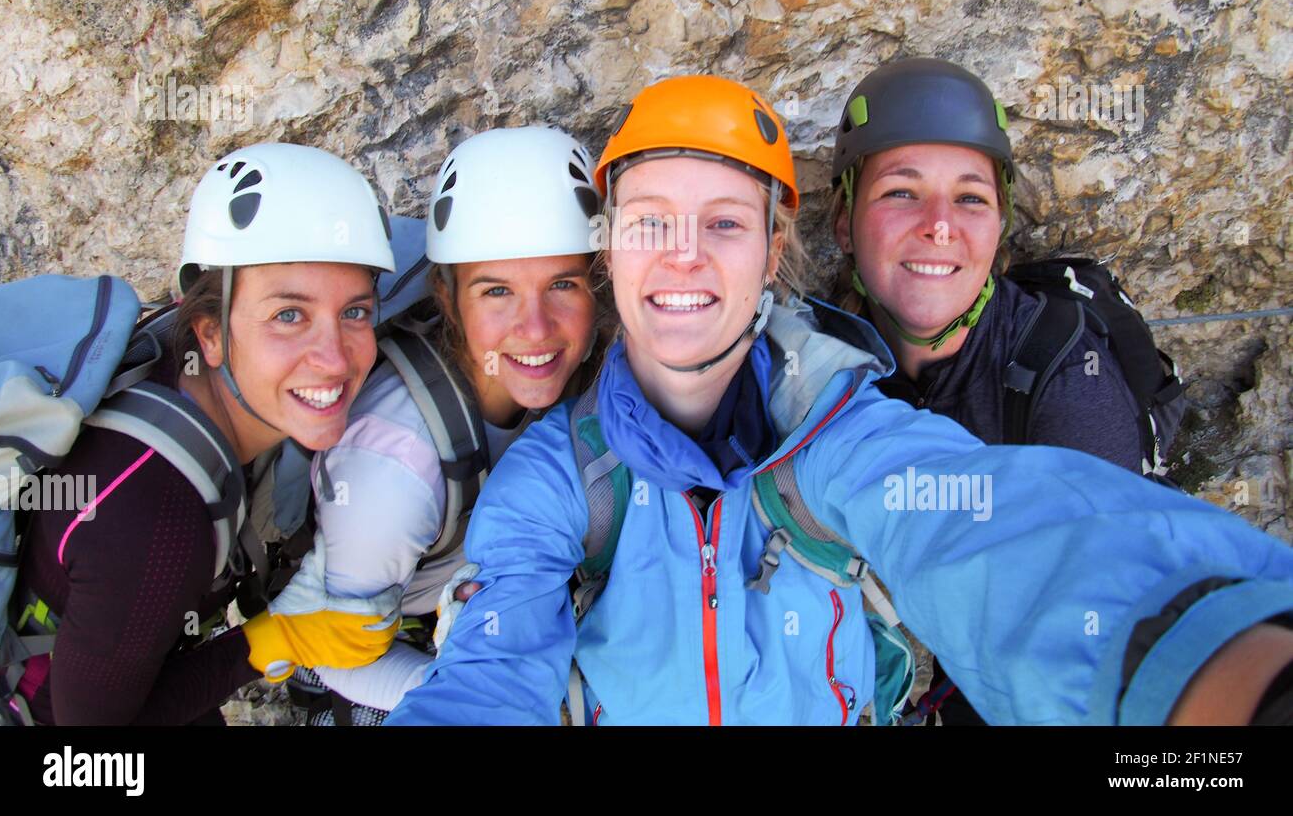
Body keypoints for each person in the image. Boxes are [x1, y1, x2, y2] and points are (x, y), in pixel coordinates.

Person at [385, 75, 1293, 726]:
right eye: (650, 219)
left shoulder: (842, 436)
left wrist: (1207, 656)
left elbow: (992, 531)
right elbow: (492, 666)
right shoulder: (556, 482)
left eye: (727, 224)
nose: (685, 254)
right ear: (610, 249)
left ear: (773, 251)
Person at [7, 143, 400, 724]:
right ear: (210, 333)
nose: (335, 358)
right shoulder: (157, 518)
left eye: (355, 312)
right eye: (288, 315)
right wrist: (270, 643)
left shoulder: (173, 370)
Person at [828, 56, 1144, 723]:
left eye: (971, 197)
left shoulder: (1064, 383)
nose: (940, 224)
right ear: (841, 221)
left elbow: (1095, 625)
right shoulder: (825, 354)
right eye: (901, 192)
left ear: (1000, 229)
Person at [283, 127, 604, 725]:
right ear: (448, 297)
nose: (536, 329)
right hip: (385, 663)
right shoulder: (393, 473)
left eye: (563, 284)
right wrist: (491, 688)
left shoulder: (588, 377)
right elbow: (329, 652)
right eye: (497, 291)